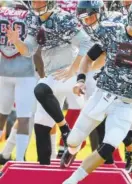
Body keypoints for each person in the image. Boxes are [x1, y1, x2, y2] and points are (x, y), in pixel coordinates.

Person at [62, 1, 132, 183]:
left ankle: (72, 180)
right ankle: (72, 151)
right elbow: (88, 58)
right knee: (73, 140)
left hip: (125, 103)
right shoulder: (112, 31)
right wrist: (81, 80)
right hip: (100, 95)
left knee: (109, 144)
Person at [5, 0, 92, 165]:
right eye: (34, 1)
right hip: (54, 74)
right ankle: (44, 169)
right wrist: (17, 42)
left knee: (40, 90)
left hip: (70, 73)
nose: (36, 4)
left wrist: (74, 69)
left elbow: (86, 42)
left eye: (40, 1)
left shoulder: (63, 18)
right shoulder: (33, 18)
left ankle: (66, 131)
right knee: (41, 126)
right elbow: (28, 51)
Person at [0, 0, 37, 162]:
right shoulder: (33, 16)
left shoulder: (3, 11)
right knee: (24, 118)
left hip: (3, 71)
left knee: (1, 116)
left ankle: (17, 158)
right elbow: (34, 49)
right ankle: (20, 160)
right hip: (26, 72)